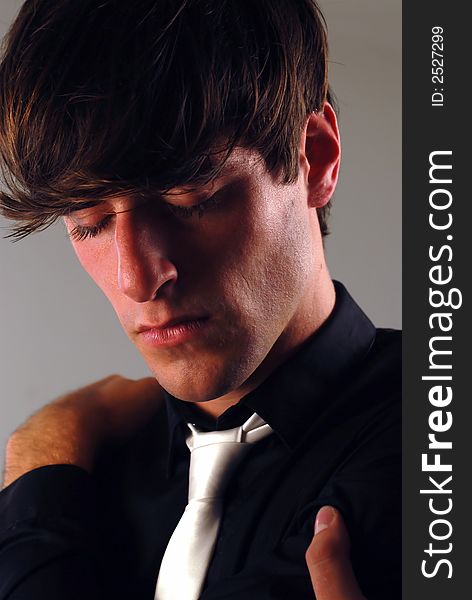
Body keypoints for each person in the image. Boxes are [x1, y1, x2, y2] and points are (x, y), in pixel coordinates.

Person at [0, 1, 401, 599]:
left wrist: (38, 459)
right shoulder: (93, 476)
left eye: (190, 199)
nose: (138, 278)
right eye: (88, 222)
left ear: (313, 158)